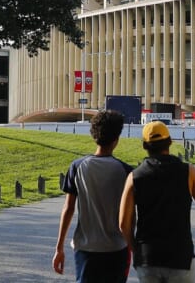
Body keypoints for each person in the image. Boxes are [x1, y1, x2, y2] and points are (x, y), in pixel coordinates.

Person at [119, 121, 195, 282]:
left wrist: (136, 249)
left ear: (144, 145)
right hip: (180, 257)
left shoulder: (134, 177)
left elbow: (123, 224)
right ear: (170, 142)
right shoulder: (189, 172)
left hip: (148, 257)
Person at [53, 110, 133, 283]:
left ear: (93, 136)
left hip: (86, 248)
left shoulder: (77, 167)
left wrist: (59, 248)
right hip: (116, 248)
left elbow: (68, 209)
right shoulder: (126, 171)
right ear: (116, 140)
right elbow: (130, 215)